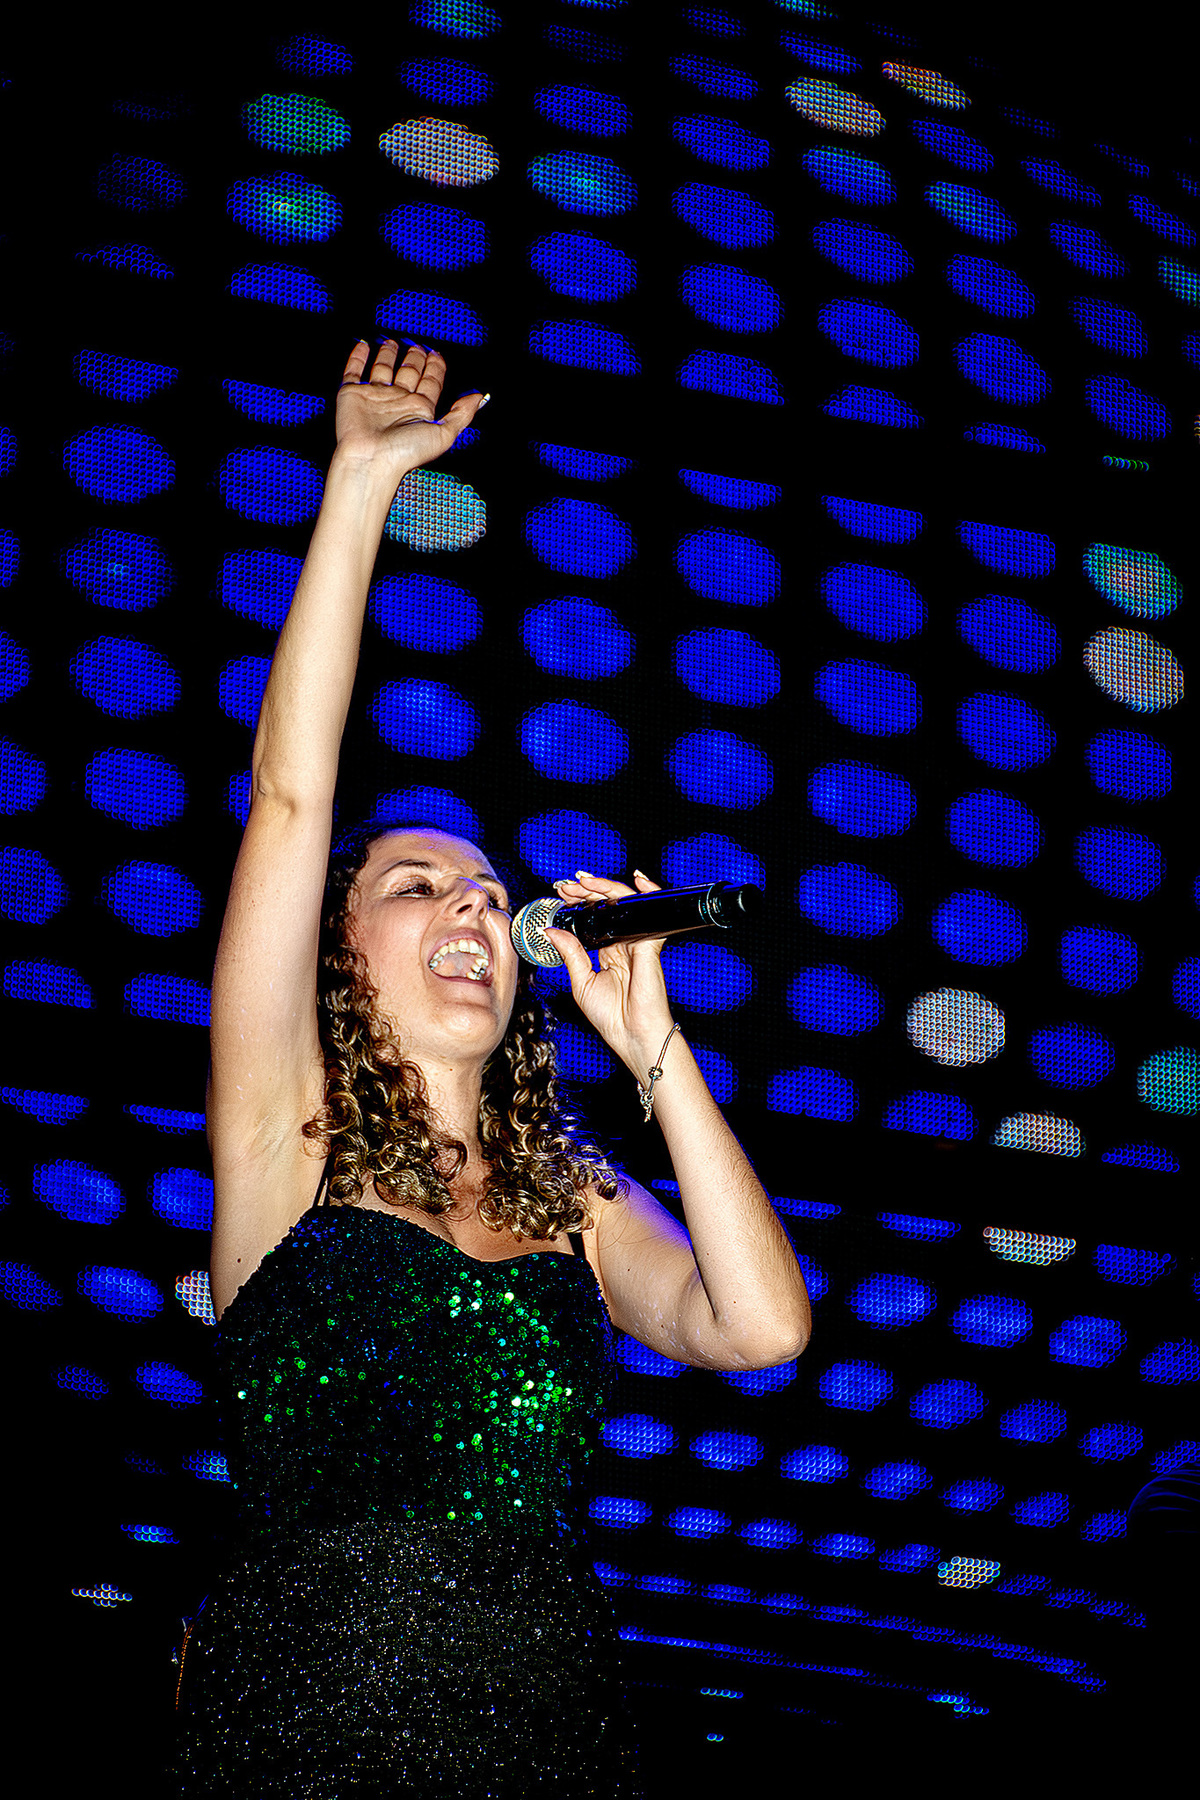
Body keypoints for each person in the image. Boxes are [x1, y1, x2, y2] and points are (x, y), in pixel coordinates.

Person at [170, 338, 812, 1797]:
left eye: (486, 892)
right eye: (415, 885)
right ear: (338, 955)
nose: (470, 905)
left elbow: (762, 1328)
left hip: (548, 1740)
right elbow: (290, 797)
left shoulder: (572, 1197)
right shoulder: (287, 1136)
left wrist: (654, 1050)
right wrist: (361, 481)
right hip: (303, 1742)